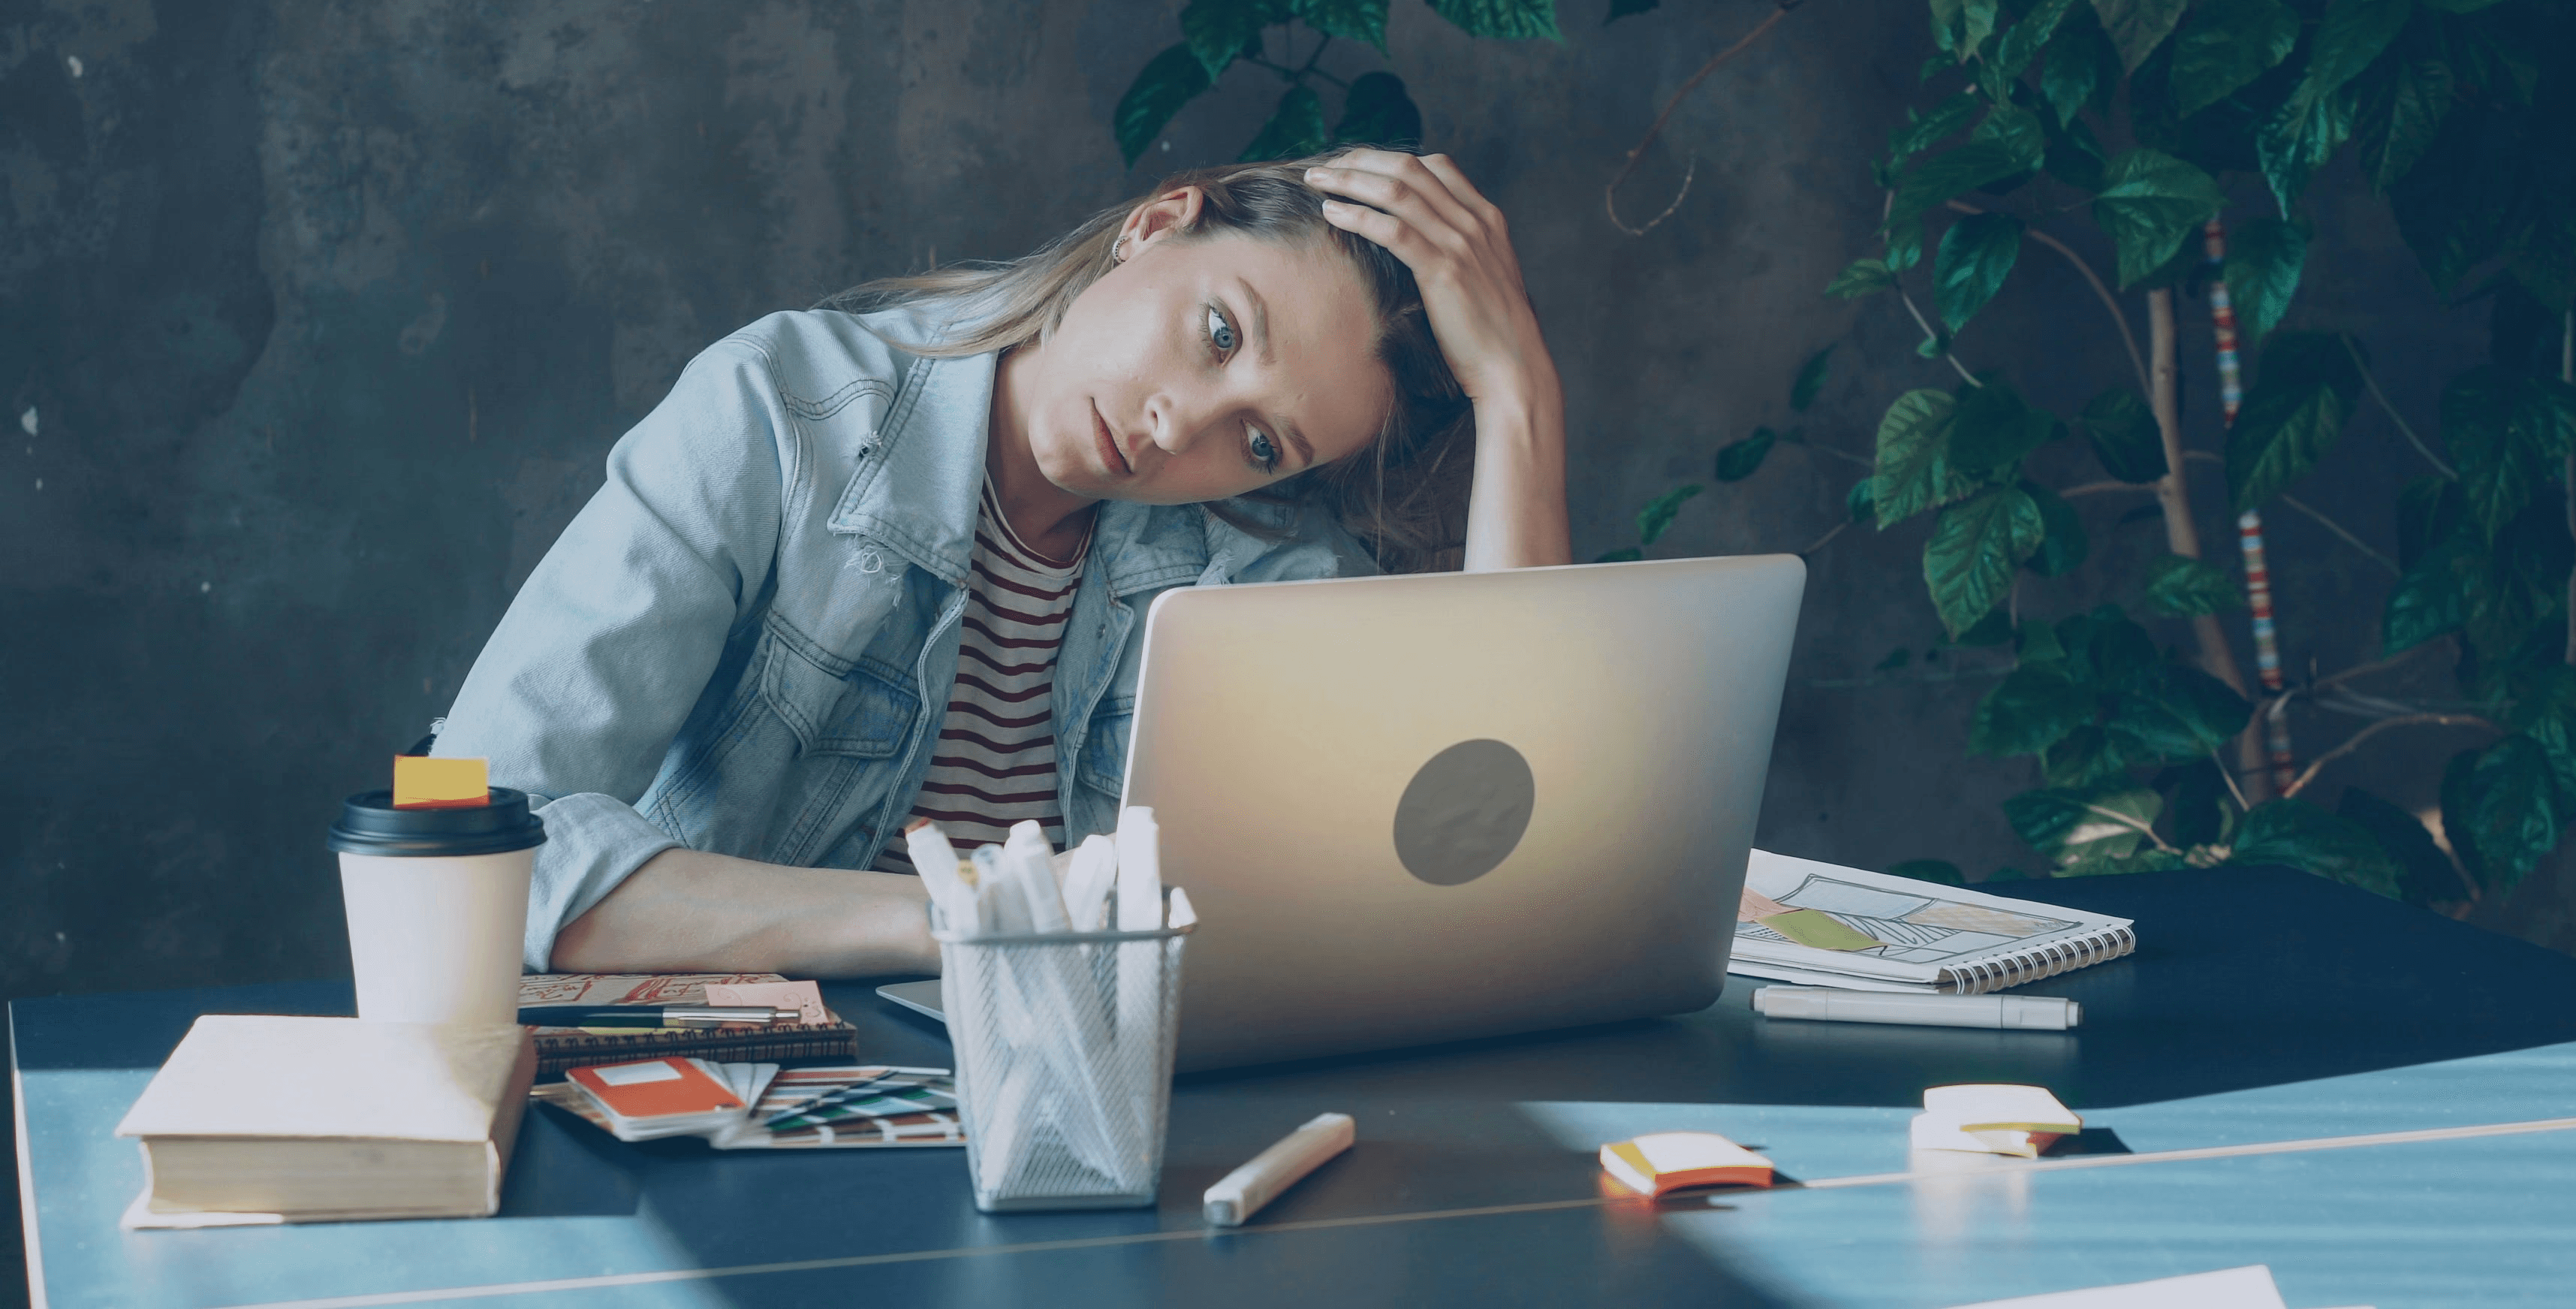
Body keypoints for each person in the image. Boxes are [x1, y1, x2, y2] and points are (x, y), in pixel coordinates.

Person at [432, 148, 1571, 979]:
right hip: (739, 1108)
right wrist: (967, 915)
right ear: (1156, 224)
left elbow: (1482, 888)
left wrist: (1516, 397)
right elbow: (457, 827)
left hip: (1083, 1126)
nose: (1185, 427)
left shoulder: (1256, 571)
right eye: (1221, 333)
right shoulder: (778, 409)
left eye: (1261, 442)